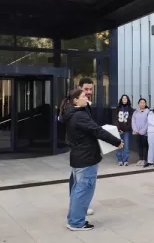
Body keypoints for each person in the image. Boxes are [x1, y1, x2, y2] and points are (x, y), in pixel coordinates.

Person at [60, 89, 123, 231]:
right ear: (75, 100)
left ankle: (74, 219)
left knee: (78, 190)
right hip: (86, 157)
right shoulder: (79, 116)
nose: (86, 97)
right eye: (83, 96)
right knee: (83, 190)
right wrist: (116, 141)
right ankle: (76, 222)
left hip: (80, 156)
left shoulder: (72, 114)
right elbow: (97, 130)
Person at [68, 78, 96, 217]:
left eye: (91, 89)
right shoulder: (75, 108)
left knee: (78, 180)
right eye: (86, 90)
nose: (89, 92)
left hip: (83, 149)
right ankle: (76, 210)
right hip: (81, 150)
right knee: (79, 181)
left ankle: (77, 208)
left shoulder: (87, 105)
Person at [115, 94, 133, 166]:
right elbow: (116, 119)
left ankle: (125, 160)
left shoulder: (130, 109)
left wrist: (126, 128)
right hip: (119, 130)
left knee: (126, 146)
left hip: (127, 130)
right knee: (118, 144)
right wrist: (118, 128)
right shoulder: (118, 108)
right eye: (123, 98)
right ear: (121, 100)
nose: (124, 99)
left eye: (126, 98)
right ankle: (119, 160)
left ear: (127, 100)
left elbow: (130, 120)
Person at [132, 98, 150, 166]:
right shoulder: (135, 112)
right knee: (139, 146)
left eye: (143, 103)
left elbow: (148, 122)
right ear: (139, 104)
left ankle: (144, 160)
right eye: (141, 103)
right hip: (136, 132)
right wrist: (135, 130)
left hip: (145, 133)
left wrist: (142, 131)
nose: (142, 104)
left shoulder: (148, 112)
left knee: (144, 146)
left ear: (145, 104)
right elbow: (133, 121)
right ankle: (140, 159)